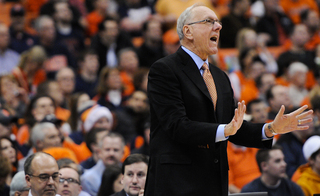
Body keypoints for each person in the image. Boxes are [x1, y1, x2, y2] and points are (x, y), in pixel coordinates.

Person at [145, 4, 313, 196]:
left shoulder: (220, 76)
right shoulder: (164, 69)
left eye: (218, 22)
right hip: (176, 183)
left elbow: (234, 126)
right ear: (188, 31)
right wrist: (225, 129)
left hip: (214, 183)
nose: (218, 27)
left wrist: (271, 128)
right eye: (209, 21)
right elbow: (176, 125)